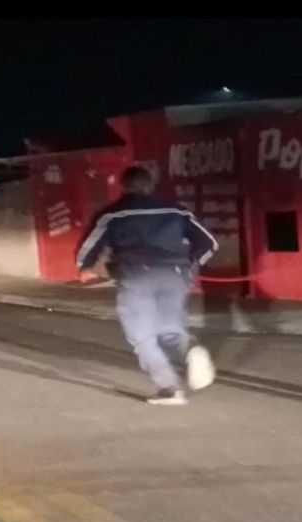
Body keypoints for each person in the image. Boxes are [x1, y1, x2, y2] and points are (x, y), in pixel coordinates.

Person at [75, 165, 218, 405]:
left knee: (142, 337)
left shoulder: (113, 213)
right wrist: (189, 266)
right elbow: (209, 242)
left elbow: (91, 245)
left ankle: (170, 389)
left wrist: (85, 266)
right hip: (174, 275)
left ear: (124, 185)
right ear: (151, 185)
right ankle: (192, 352)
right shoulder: (177, 211)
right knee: (171, 330)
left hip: (136, 275)